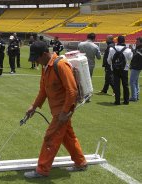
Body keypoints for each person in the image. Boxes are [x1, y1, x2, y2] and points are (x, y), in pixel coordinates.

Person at [24, 41, 87, 179]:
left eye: (37, 58)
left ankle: (42, 170)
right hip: (58, 111)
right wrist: (33, 107)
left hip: (62, 111)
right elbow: (43, 90)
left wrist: (65, 112)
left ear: (45, 54)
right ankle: (81, 162)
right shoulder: (45, 66)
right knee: (68, 137)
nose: (37, 62)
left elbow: (72, 91)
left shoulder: (61, 65)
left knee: (50, 137)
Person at [107, 35, 133, 105]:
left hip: (115, 69)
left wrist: (113, 65)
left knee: (116, 85)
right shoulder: (128, 50)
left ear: (117, 40)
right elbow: (130, 59)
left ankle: (117, 101)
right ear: (124, 41)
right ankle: (126, 101)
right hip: (124, 69)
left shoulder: (112, 49)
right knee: (125, 85)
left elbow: (108, 60)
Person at [129, 37, 142, 102]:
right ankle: (136, 96)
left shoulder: (140, 49)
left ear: (140, 42)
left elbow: (136, 55)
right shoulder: (138, 48)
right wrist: (133, 49)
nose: (136, 42)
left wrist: (132, 50)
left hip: (136, 67)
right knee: (135, 82)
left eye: (137, 41)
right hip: (136, 66)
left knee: (132, 82)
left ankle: (134, 97)